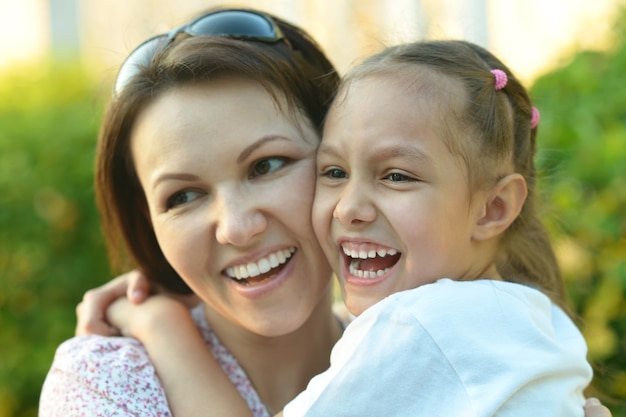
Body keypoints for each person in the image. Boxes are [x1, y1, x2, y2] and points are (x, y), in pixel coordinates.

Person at [95, 39, 600, 417]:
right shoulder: (530, 317)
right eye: (334, 172)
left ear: (493, 208)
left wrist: (161, 327)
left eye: (397, 176)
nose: (347, 208)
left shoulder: (414, 329)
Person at [39, 7, 344, 417]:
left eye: (266, 165)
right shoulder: (108, 383)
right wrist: (165, 330)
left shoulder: (418, 346)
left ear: (341, 158)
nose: (236, 228)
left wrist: (165, 333)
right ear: (150, 223)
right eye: (183, 197)